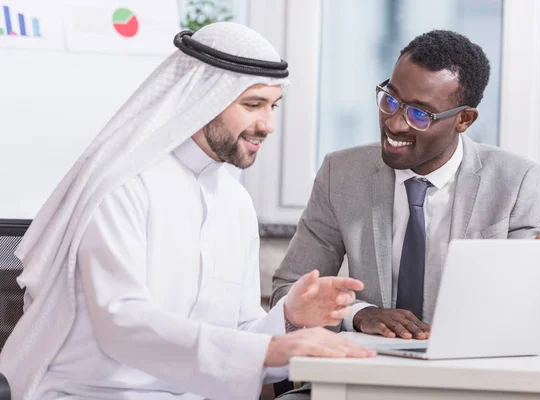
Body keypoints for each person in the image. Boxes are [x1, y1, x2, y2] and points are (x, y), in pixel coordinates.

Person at [0, 22, 375, 400]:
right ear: (205, 98)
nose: (268, 125)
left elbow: (237, 341)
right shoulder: (124, 187)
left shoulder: (235, 202)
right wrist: (268, 350)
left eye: (273, 106)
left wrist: (290, 318)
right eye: (252, 104)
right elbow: (122, 324)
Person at [271, 30, 540, 399]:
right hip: (362, 382)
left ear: (464, 120)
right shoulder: (340, 174)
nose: (395, 123)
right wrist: (360, 315)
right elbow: (288, 292)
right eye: (390, 100)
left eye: (420, 114)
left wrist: (530, 292)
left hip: (468, 386)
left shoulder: (516, 182)